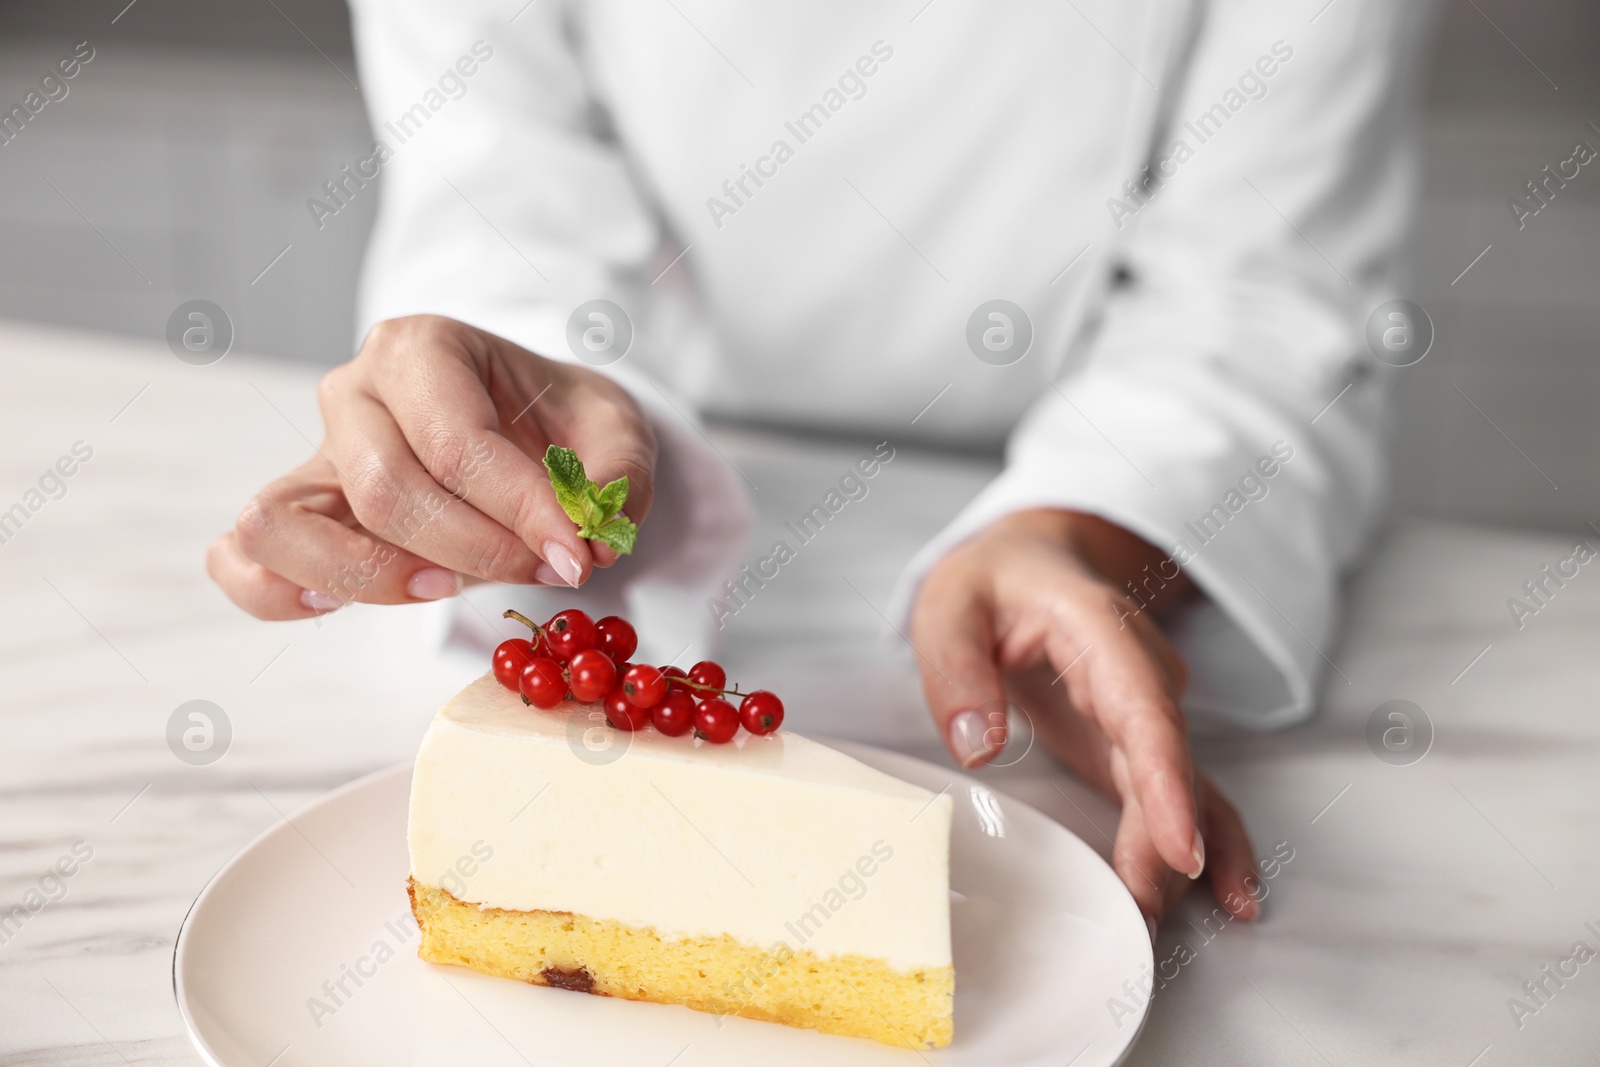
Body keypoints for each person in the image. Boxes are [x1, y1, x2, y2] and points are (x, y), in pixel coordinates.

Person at [207, 1, 1435, 938]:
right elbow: (494, 191)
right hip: (655, 508)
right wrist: (498, 403)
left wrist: (1089, 528)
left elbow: (1263, 294)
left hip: (1062, 489)